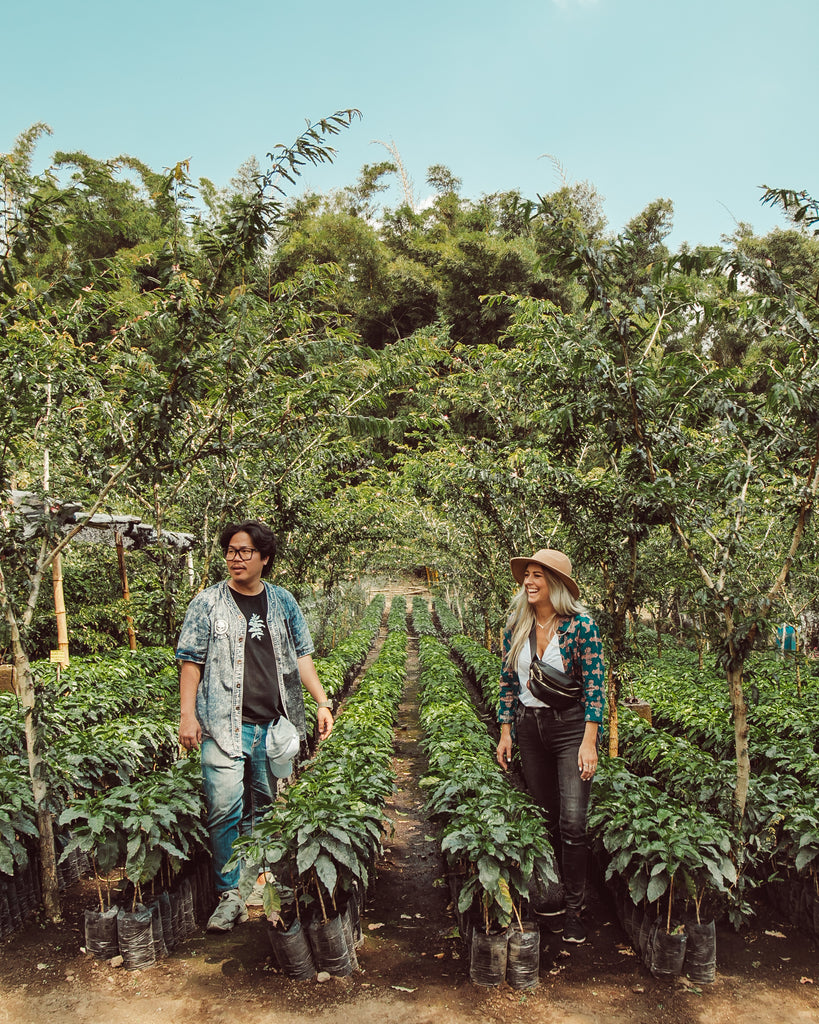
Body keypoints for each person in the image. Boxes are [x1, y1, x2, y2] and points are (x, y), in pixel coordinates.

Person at [176, 520, 334, 932]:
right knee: (225, 811)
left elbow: (302, 656)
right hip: (222, 726)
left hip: (271, 726)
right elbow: (191, 661)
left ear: (265, 558)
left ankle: (259, 881)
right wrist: (187, 715)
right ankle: (229, 894)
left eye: (245, 551)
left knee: (263, 809)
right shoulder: (208, 603)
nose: (235, 558)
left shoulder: (282, 602)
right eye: (230, 550)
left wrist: (322, 701)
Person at [495, 548, 605, 945]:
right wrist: (506, 731)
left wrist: (589, 740)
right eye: (527, 574)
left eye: (538, 575)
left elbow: (595, 684)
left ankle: (575, 910)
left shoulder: (580, 627)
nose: (529, 581)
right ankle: (550, 899)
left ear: (555, 584)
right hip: (530, 728)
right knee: (544, 816)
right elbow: (508, 682)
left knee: (573, 823)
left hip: (570, 728)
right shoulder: (516, 626)